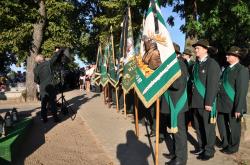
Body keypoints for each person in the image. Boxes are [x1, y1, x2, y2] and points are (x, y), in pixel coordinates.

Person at [190, 39, 220, 161]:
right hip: (196, 102)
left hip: (205, 103)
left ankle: (209, 150)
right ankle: (202, 147)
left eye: (198, 48)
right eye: (195, 48)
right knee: (198, 127)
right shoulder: (196, 64)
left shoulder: (212, 64)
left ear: (205, 49)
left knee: (208, 128)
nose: (195, 50)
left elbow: (212, 85)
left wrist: (208, 102)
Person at [217, 46, 249, 154]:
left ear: (236, 56)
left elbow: (242, 91)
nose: (226, 56)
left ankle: (233, 147)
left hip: (234, 105)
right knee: (222, 125)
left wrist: (238, 108)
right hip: (222, 104)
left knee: (235, 128)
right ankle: (226, 144)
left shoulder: (242, 70)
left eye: (229, 54)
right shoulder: (227, 69)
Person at [161, 43, 189, 165]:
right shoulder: (171, 65)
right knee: (173, 132)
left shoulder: (180, 64)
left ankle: (181, 159)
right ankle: (175, 153)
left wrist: (165, 79)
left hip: (177, 104)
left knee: (179, 133)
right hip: (170, 103)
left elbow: (178, 85)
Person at [34, 49, 63, 123]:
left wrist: (41, 82)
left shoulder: (36, 69)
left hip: (42, 88)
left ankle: (44, 118)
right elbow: (54, 58)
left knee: (43, 104)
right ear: (43, 59)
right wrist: (57, 51)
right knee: (52, 103)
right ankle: (55, 118)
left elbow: (36, 80)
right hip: (50, 86)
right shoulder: (48, 63)